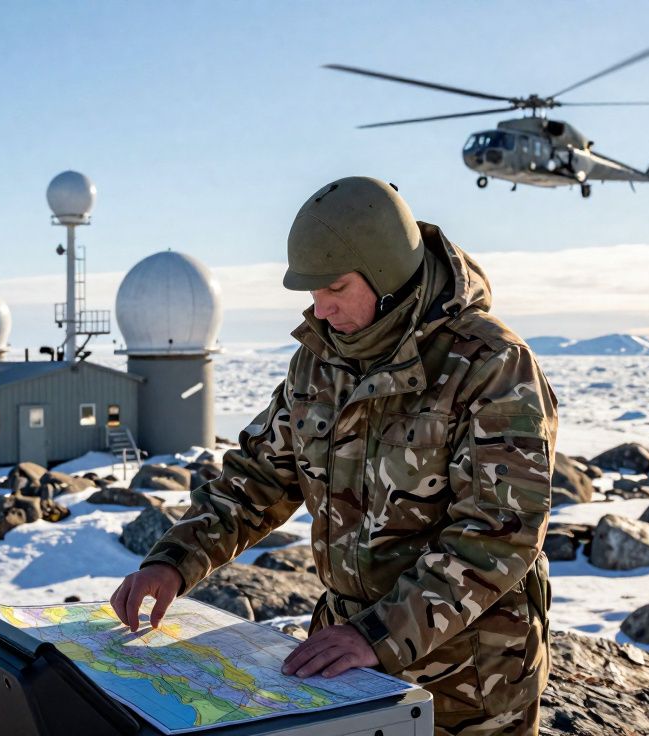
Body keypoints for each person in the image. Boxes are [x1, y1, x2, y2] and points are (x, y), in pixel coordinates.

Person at [110, 176, 558, 736]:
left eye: (336, 288)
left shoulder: (490, 364)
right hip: (347, 663)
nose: (320, 310)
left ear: (386, 272)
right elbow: (257, 480)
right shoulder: (319, 361)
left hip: (469, 681)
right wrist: (173, 560)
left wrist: (379, 634)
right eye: (312, 292)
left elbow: (499, 533)